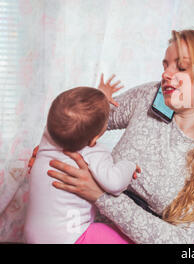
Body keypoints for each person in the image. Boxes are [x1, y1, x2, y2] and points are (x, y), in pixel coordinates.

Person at [45, 28, 194, 243]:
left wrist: (101, 196)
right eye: (165, 65)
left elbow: (181, 241)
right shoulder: (150, 96)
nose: (166, 74)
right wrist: (55, 148)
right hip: (84, 228)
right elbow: (87, 122)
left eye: (181, 67)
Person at [24, 87, 140, 244]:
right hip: (70, 238)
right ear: (93, 140)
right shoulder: (94, 152)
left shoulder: (48, 136)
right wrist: (130, 165)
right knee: (128, 239)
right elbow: (115, 183)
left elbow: (71, 113)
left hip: (32, 235)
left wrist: (100, 99)